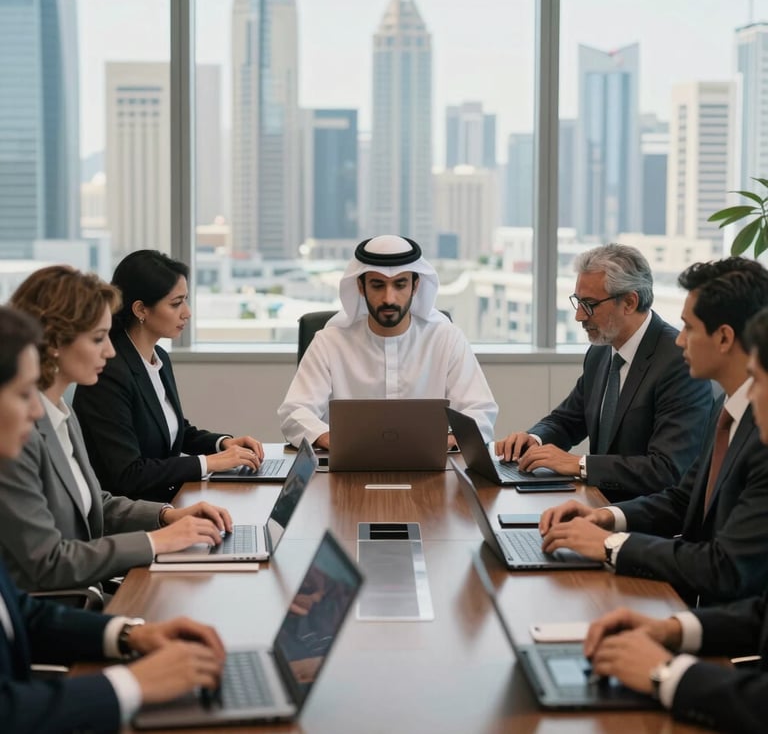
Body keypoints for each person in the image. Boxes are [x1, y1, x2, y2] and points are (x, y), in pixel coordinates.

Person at [0, 304, 225, 733]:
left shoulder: (61, 418)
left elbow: (21, 614)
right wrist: (132, 684)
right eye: (22, 394)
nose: (35, 413)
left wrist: (128, 634)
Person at [538, 257, 768, 605]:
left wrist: (609, 544)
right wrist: (605, 517)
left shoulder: (760, 433)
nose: (680, 342)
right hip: (697, 604)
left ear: (723, 338)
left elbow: (725, 567)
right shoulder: (728, 411)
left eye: (689, 328)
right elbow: (682, 497)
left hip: (726, 623)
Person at [583, 303, 768, 734]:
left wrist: (667, 673)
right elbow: (762, 615)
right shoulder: (730, 412)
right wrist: (671, 629)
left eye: (758, 381)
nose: (751, 396)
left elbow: (727, 568)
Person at [0, 265, 233, 595]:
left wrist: (167, 516)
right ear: (53, 341)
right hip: (64, 607)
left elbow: (97, 504)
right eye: (98, 339)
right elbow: (48, 562)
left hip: (89, 586)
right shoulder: (18, 435)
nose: (110, 351)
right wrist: (154, 542)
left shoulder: (62, 414)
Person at [494, 243, 712, 501]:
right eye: (577, 301)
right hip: (596, 503)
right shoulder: (600, 352)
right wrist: (533, 440)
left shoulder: (678, 362)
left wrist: (579, 464)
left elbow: (665, 469)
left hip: (647, 521)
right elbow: (567, 421)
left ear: (629, 302)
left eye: (589, 304)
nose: (578, 316)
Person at [73, 250, 264, 502]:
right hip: (132, 514)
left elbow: (173, 429)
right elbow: (128, 474)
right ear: (141, 309)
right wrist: (208, 463)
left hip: (167, 499)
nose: (187, 312)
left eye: (185, 300)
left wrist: (222, 444)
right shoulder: (109, 372)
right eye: (176, 303)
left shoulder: (158, 356)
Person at [278, 235, 497, 449]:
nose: (389, 298)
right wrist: (331, 439)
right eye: (377, 285)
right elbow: (295, 412)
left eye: (400, 285)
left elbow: (480, 411)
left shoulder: (446, 339)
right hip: (345, 471)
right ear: (361, 287)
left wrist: (447, 441)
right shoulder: (329, 342)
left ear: (415, 286)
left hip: (433, 471)